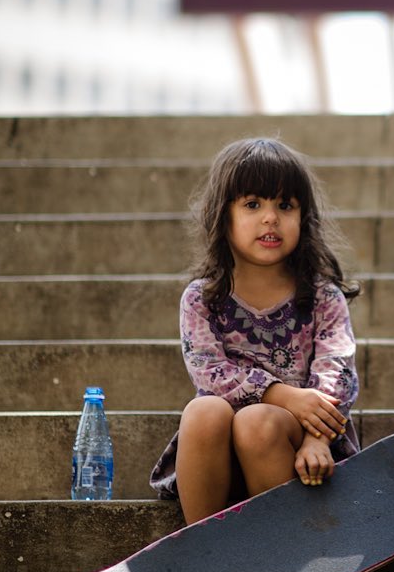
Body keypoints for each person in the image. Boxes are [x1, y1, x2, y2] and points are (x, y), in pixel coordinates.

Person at [150, 137, 361, 526]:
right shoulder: (202, 299)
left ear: (304, 218)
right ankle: (206, 550)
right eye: (252, 204)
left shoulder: (322, 297)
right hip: (220, 462)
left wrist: (317, 439)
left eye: (285, 206)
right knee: (203, 410)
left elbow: (338, 370)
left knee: (257, 422)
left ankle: (284, 553)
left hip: (298, 454)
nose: (270, 218)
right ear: (222, 216)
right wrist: (279, 394)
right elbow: (209, 372)